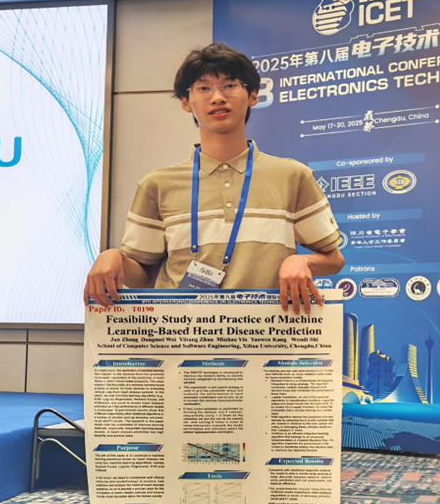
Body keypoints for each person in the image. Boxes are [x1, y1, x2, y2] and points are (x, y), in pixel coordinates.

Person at [84, 42, 344, 314]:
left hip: (267, 332)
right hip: (182, 332)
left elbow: (334, 259)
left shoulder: (292, 176)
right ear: (186, 102)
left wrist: (301, 262)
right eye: (203, 88)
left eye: (229, 85)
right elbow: (144, 277)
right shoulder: (156, 185)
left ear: (253, 96)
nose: (217, 97)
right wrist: (112, 257)